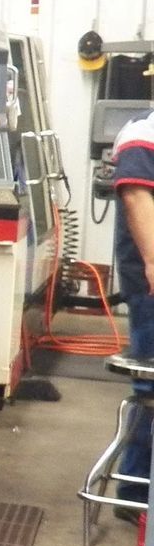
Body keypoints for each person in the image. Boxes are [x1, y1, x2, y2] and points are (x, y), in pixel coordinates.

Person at [110, 110, 154, 508]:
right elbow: (136, 195)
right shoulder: (145, 132)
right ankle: (137, 489)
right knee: (151, 390)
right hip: (151, 290)